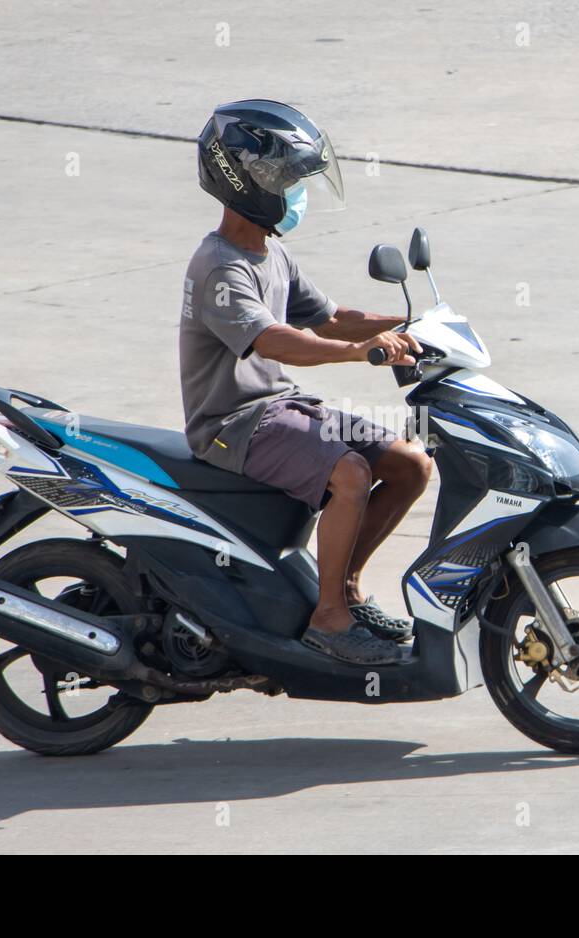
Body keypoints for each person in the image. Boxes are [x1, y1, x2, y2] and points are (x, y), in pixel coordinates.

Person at [179, 99, 432, 666]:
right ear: (249, 183)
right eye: (290, 180)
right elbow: (274, 341)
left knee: (410, 464)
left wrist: (414, 323)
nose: (298, 194)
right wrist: (357, 353)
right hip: (232, 424)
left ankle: (345, 589)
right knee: (351, 473)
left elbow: (333, 317)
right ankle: (329, 620)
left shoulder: (270, 253)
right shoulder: (222, 267)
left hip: (281, 406)